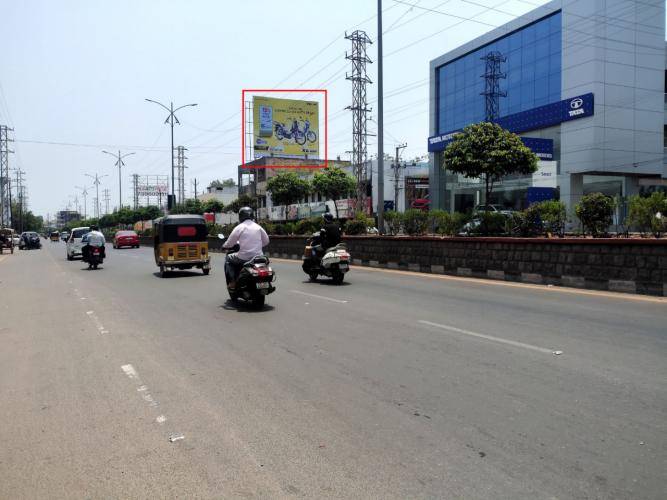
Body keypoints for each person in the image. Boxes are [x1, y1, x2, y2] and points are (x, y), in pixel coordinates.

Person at [223, 207, 269, 289]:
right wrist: (256, 246)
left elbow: (230, 243)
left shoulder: (239, 227)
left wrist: (224, 246)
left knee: (228, 259)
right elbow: (266, 241)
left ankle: (233, 282)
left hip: (244, 258)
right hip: (259, 257)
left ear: (241, 216)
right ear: (252, 215)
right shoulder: (258, 227)